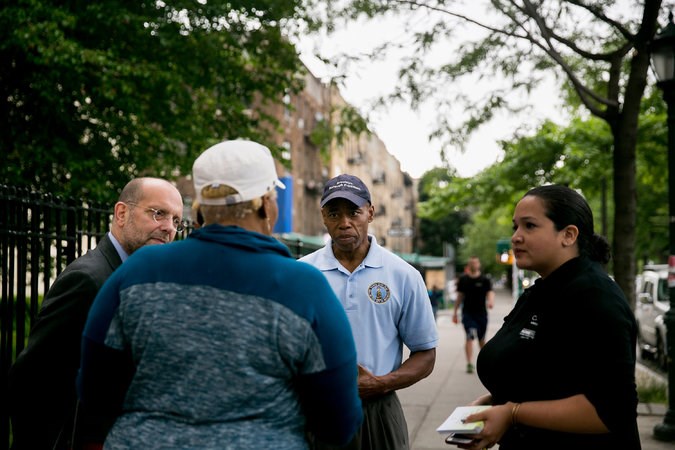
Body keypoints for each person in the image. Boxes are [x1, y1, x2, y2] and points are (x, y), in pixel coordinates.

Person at [76, 140, 362, 449]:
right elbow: (339, 421)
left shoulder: (137, 271)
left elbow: (94, 393)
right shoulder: (304, 287)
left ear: (200, 209)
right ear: (266, 204)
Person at [457, 185, 640, 450]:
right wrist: (494, 403)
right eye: (515, 227)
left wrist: (512, 413)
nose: (516, 237)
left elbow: (611, 411)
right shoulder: (541, 291)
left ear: (568, 235)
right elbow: (550, 376)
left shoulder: (595, 297)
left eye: (529, 226)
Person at [7, 177, 184, 450]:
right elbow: (31, 380)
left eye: (176, 220)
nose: (169, 228)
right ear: (121, 213)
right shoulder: (88, 279)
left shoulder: (134, 276)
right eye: (158, 213)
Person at [300, 173, 438, 450]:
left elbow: (426, 354)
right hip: (316, 413)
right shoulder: (302, 273)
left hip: (379, 412)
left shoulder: (403, 275)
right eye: (334, 213)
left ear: (371, 213)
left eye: (354, 212)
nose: (344, 223)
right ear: (323, 217)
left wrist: (381, 383)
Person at [452, 256, 494, 373]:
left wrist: (491, 301)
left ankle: (484, 362)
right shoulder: (464, 279)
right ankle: (469, 363)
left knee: (481, 339)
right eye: (472, 263)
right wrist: (455, 313)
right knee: (469, 336)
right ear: (469, 265)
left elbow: (490, 292)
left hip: (481, 314)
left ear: (479, 264)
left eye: (476, 263)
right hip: (468, 314)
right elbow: (459, 296)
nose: (474, 265)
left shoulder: (485, 279)